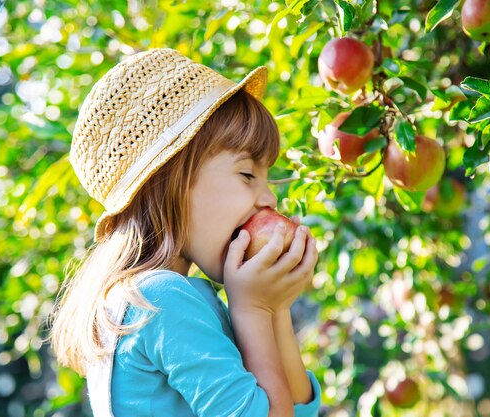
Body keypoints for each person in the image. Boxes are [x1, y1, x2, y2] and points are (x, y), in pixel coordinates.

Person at [50, 48, 321, 417]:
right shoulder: (159, 301)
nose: (270, 197)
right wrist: (254, 308)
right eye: (246, 174)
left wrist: (275, 310)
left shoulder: (155, 299)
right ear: (171, 181)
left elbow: (297, 409)